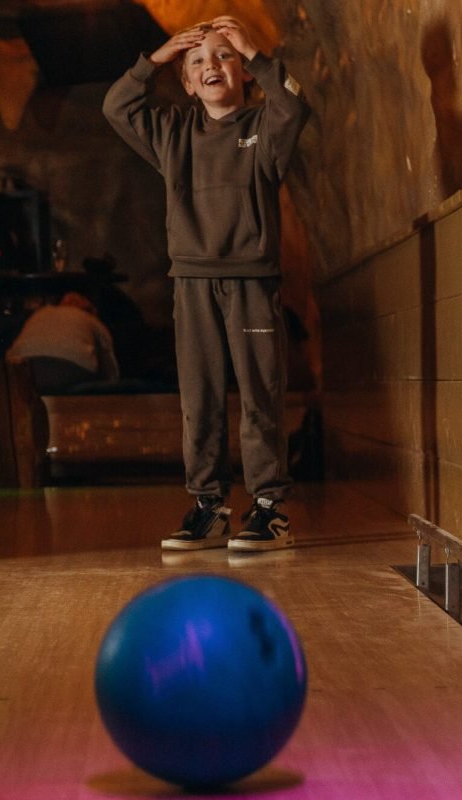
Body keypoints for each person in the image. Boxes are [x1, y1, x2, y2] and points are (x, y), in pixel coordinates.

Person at [103, 17, 310, 552]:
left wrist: (253, 50)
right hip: (192, 283)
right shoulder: (173, 133)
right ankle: (209, 506)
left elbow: (294, 103)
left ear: (242, 72)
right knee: (201, 398)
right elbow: (117, 106)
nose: (211, 65)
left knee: (261, 395)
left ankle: (268, 509)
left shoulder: (265, 126)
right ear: (188, 83)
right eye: (198, 62)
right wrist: (158, 57)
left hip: (251, 281)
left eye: (223, 57)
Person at [6, 292, 120, 394]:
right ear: (91, 310)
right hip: (71, 368)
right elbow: (108, 358)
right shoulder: (90, 319)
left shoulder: (40, 313)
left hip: (20, 368)